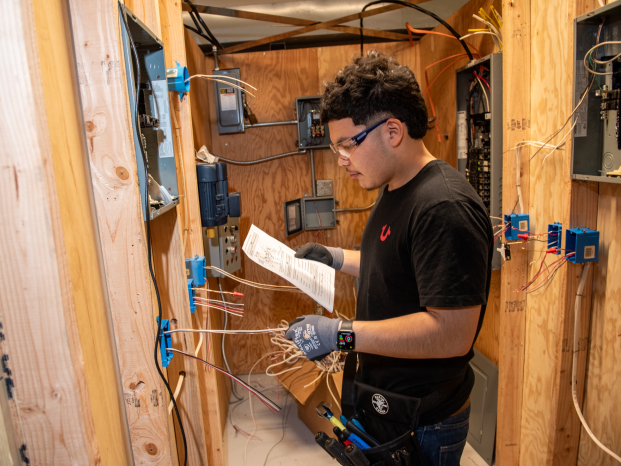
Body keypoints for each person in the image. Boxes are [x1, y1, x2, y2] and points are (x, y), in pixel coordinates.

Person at [284, 50, 493, 466]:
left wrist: (339, 333)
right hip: (385, 404)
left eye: (348, 144)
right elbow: (399, 266)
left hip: (421, 420)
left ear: (392, 131)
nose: (341, 159)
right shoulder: (397, 186)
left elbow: (451, 333)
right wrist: (337, 258)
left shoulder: (443, 207)